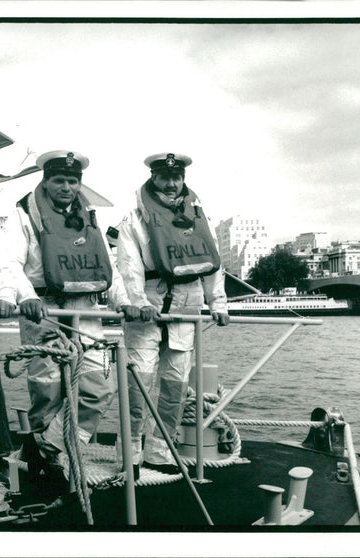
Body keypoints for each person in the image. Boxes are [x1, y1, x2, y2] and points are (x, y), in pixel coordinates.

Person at [0, 150, 139, 477]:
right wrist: (24, 296)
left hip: (86, 312)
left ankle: (45, 447)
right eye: (60, 180)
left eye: (73, 181)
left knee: (99, 388)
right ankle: (53, 465)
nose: (67, 187)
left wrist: (124, 302)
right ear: (46, 180)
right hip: (45, 311)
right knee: (49, 393)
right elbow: (9, 262)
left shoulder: (89, 217)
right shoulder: (23, 216)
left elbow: (107, 267)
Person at [116, 152, 229, 477]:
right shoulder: (133, 220)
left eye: (176, 177)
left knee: (175, 389)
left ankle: (160, 451)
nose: (170, 184)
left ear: (183, 180)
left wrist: (217, 304)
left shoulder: (197, 219)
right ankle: (131, 453)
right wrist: (137, 302)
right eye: (164, 177)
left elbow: (212, 266)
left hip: (185, 311)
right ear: (153, 178)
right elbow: (129, 267)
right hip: (146, 313)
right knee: (139, 385)